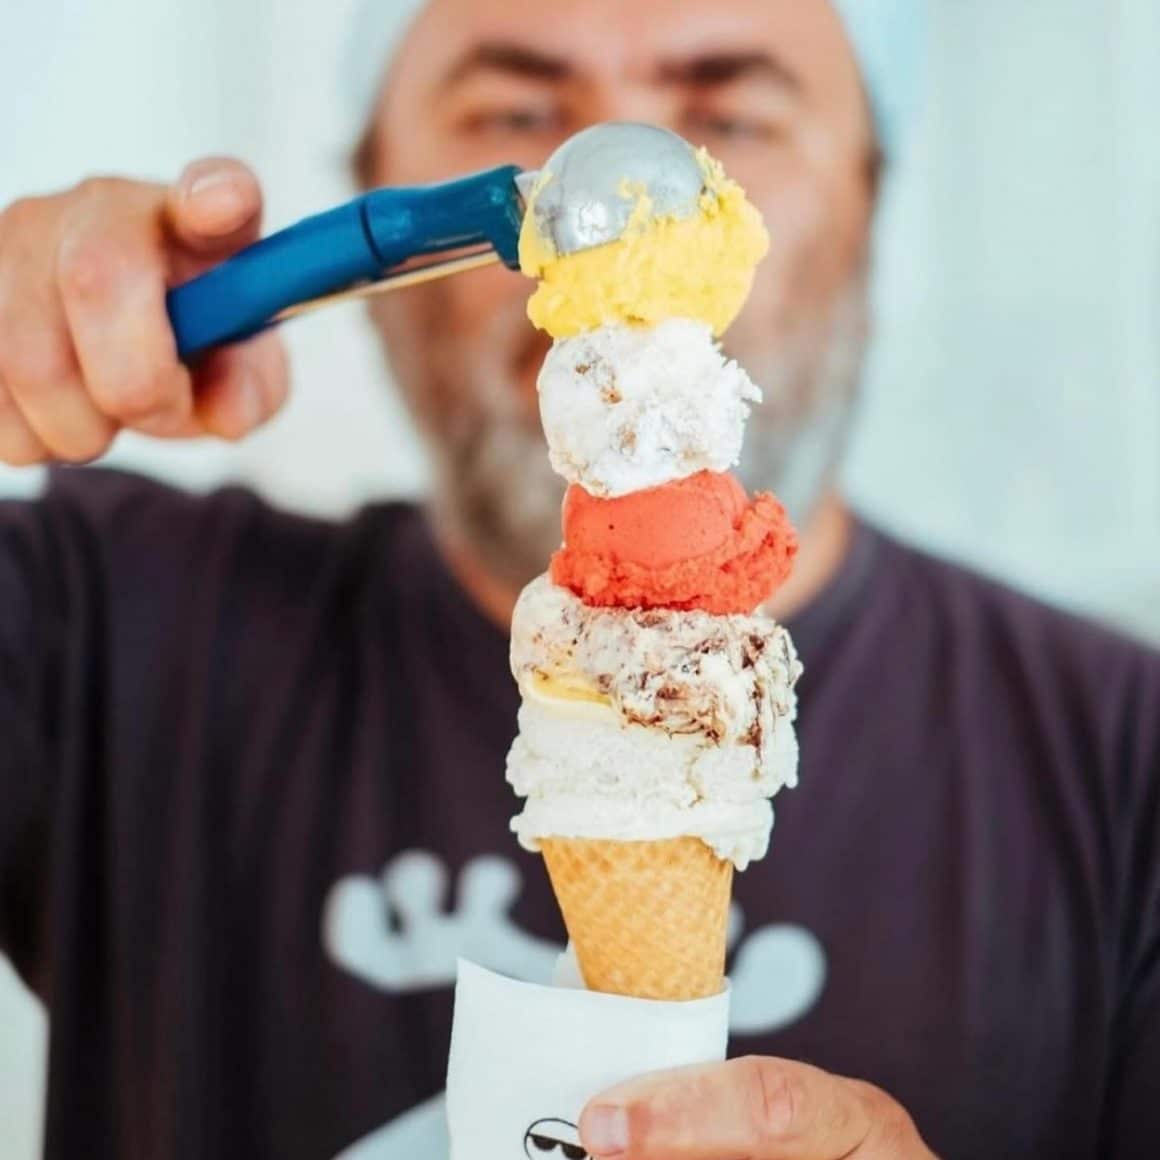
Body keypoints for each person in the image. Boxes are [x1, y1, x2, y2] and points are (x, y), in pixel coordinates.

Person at [0, 1, 1157, 1157]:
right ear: (373, 177)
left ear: (869, 190)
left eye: (730, 117)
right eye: (515, 109)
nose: (626, 213)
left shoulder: (1124, 760)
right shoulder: (92, 624)